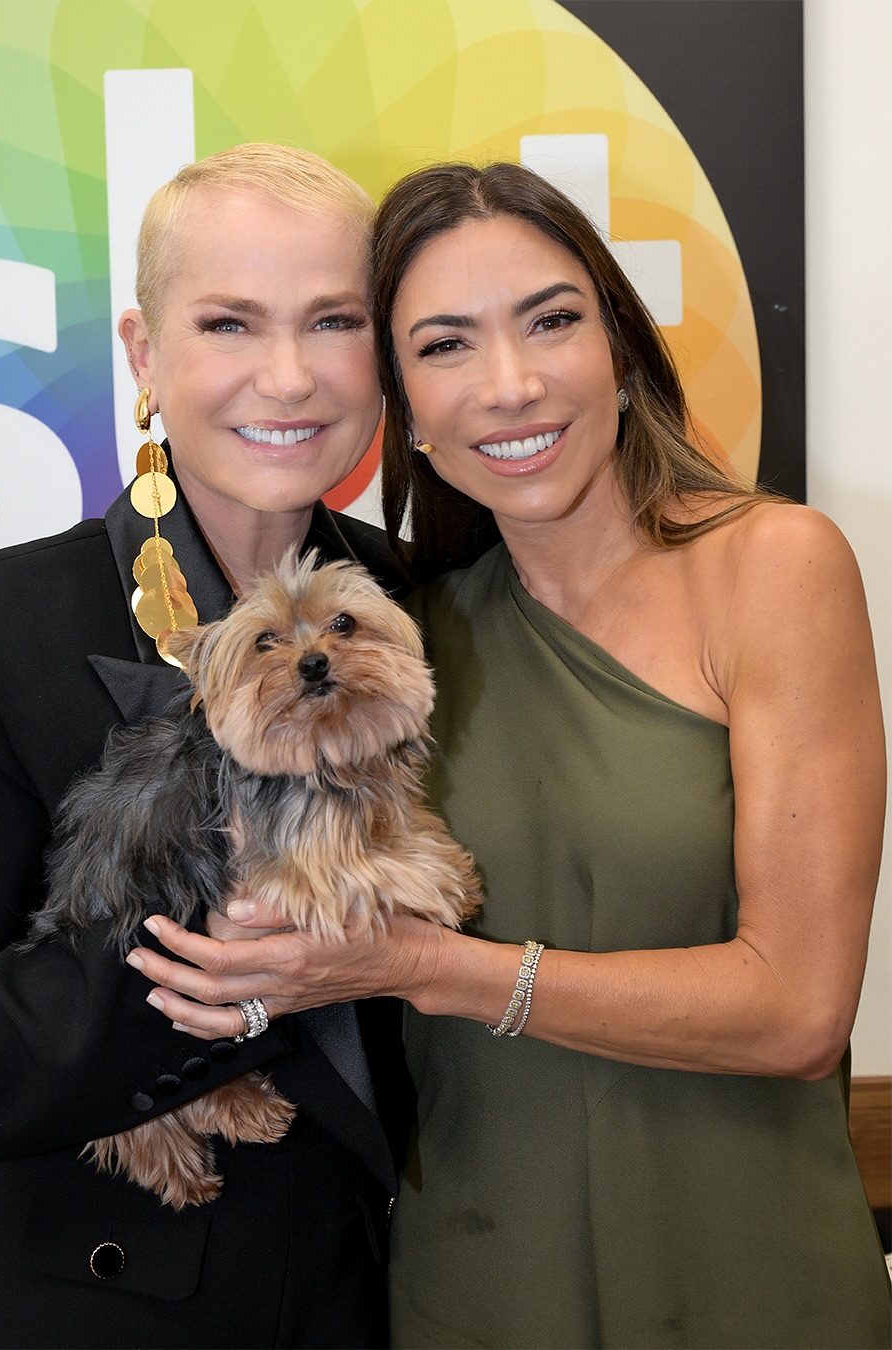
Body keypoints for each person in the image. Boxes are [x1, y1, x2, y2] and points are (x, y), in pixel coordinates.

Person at [126, 161, 892, 1349]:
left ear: (619, 346)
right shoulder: (403, 642)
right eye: (444, 345)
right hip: (470, 1284)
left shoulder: (776, 568)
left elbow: (797, 1011)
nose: (511, 384)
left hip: (752, 1275)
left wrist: (436, 968)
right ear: (406, 409)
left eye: (552, 321)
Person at [0, 143, 415, 1350]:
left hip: (408, 1303)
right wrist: (228, 968)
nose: (288, 375)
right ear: (144, 355)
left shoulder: (434, 602)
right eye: (229, 323)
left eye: (334, 321)